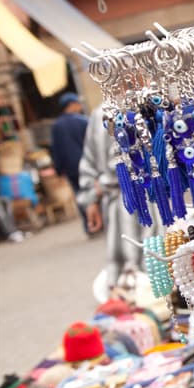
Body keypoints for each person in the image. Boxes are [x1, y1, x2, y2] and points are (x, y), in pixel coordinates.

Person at [78, 106, 149, 291]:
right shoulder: (100, 114)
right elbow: (91, 159)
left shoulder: (145, 103)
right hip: (123, 203)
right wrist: (92, 198)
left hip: (147, 199)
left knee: (152, 267)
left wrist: (94, 194)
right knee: (136, 274)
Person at [49, 91, 90, 232]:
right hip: (87, 165)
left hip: (71, 168)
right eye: (78, 103)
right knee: (92, 193)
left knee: (79, 195)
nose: (79, 106)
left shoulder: (57, 126)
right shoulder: (83, 121)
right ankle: (100, 222)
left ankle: (88, 224)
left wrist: (59, 170)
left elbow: (56, 150)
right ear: (71, 105)